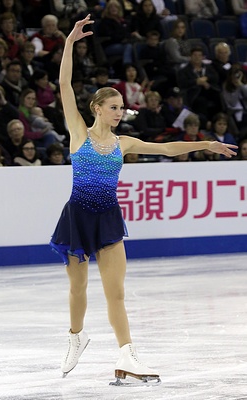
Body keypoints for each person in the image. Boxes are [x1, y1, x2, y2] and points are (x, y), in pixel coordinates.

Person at [49, 15, 237, 384]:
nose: (121, 112)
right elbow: (64, 85)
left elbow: (167, 149)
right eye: (114, 107)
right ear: (97, 108)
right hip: (77, 217)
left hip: (108, 219)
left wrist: (206, 143)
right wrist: (69, 43)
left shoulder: (125, 143)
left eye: (122, 107)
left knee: (115, 294)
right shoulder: (77, 132)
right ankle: (76, 337)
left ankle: (128, 356)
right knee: (78, 288)